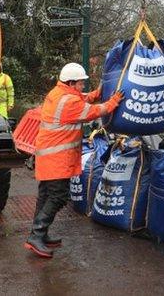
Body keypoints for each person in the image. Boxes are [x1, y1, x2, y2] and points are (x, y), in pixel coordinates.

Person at [26, 62, 123, 258]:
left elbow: (82, 99)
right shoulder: (69, 102)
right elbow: (93, 112)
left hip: (48, 156)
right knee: (58, 196)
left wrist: (97, 93)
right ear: (71, 83)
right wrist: (113, 101)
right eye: (80, 83)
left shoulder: (58, 94)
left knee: (46, 195)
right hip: (57, 159)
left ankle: (39, 234)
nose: (82, 87)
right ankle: (36, 235)